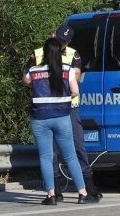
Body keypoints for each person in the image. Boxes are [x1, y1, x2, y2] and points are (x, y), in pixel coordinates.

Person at [24, 25, 103, 200]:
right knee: (70, 155)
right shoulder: (66, 68)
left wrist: (41, 88)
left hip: (41, 115)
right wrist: (60, 94)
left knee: (47, 156)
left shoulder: (37, 68)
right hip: (63, 112)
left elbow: (26, 79)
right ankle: (82, 192)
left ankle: (51, 194)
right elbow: (75, 89)